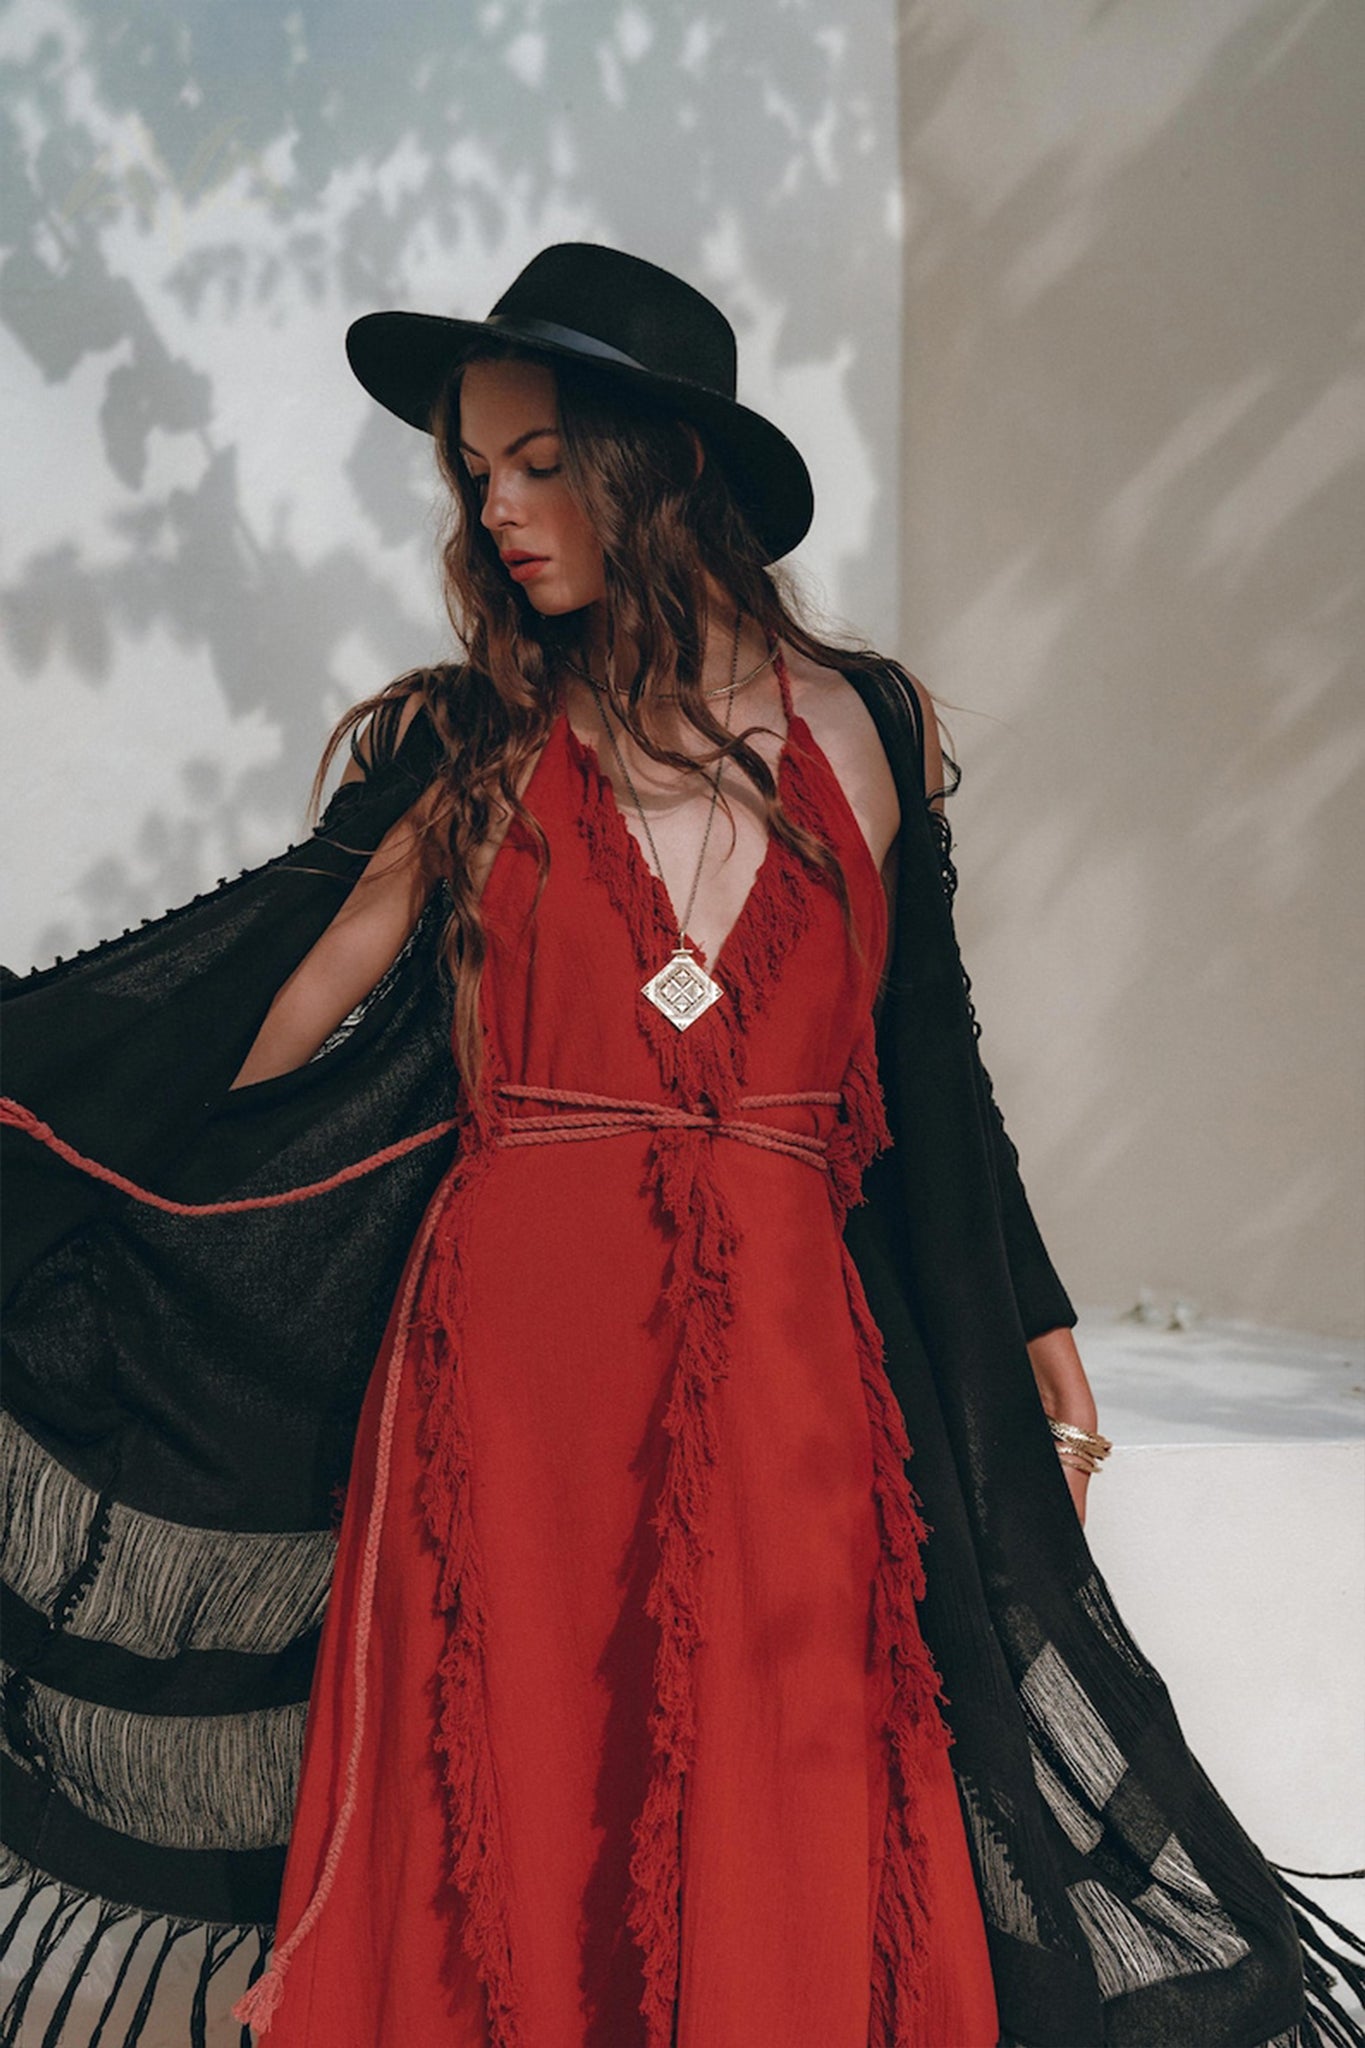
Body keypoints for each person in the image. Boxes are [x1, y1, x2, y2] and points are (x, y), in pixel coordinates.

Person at [0, 244, 1354, 2048]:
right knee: (527, 1813)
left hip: (790, 1368)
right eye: (478, 474)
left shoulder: (861, 730)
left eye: (540, 460)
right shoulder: (472, 747)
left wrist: (1023, 1311)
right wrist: (66, 1129)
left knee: (791, 1774)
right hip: (512, 1381)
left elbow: (925, 1066)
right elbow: (280, 994)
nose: (498, 511)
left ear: (662, 463)